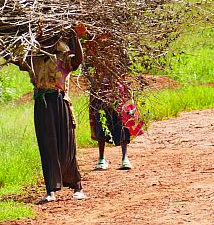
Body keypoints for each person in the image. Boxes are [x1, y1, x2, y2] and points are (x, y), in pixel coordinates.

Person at [8, 29, 86, 203]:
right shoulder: (33, 58)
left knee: (66, 146)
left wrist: (75, 35)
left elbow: (78, 61)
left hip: (60, 101)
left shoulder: (63, 56)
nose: (44, 40)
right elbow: (15, 60)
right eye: (41, 37)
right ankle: (51, 190)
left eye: (48, 37)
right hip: (42, 104)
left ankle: (77, 186)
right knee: (47, 146)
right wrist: (9, 42)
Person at [89, 75, 144, 171]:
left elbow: (125, 65)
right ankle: (101, 158)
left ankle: (125, 158)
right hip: (99, 90)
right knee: (100, 122)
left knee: (122, 121)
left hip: (118, 89)